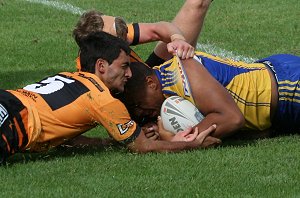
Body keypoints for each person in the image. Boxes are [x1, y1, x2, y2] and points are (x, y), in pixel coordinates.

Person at [0, 32, 220, 164]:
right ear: (102, 66)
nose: (129, 74)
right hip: (14, 120)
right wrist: (191, 146)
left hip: (9, 101)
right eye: (124, 66)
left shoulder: (70, 77)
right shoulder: (103, 100)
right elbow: (142, 147)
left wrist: (106, 142)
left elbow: (67, 139)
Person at [123, 51, 300, 140]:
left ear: (151, 83)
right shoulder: (164, 81)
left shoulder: (183, 76)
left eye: (137, 104)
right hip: (276, 85)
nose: (139, 113)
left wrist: (174, 142)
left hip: (288, 87)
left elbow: (231, 118)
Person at [72, 0, 213, 69]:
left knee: (198, 3)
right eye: (120, 37)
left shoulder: (114, 32)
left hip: (147, 76)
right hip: (145, 99)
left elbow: (157, 29)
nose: (126, 36)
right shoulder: (95, 77)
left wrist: (177, 39)